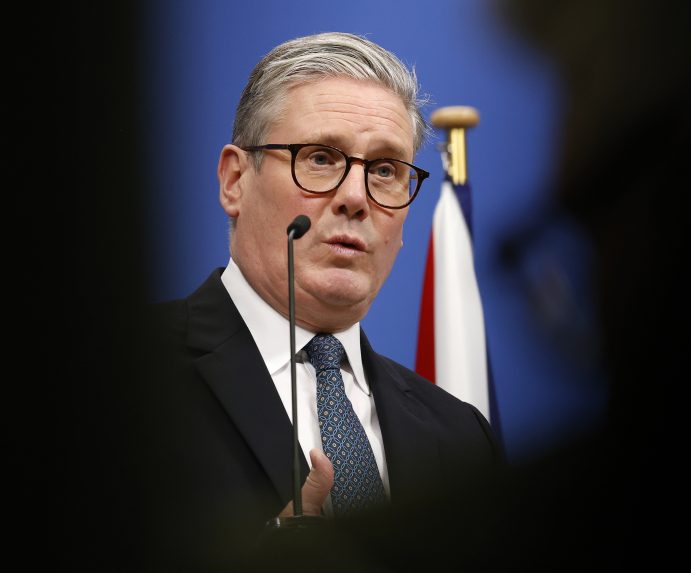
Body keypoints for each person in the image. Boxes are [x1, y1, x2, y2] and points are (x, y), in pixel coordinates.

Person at [134, 32, 502, 571]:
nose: (355, 198)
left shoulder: (460, 435)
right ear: (235, 181)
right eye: (321, 158)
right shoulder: (120, 372)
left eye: (385, 170)